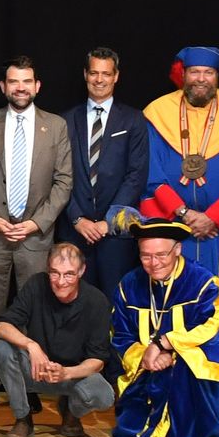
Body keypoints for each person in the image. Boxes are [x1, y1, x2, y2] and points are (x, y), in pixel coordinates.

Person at [141, 45, 219, 388]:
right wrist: (183, 213)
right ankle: (174, 376)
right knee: (174, 301)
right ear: (183, 75)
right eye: (194, 72)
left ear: (217, 77)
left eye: (208, 73)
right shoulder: (158, 114)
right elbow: (152, 174)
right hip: (174, 227)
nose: (201, 79)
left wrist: (213, 216)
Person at [0, 56, 74, 410]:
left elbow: (64, 182)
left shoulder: (55, 126)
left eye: (27, 81)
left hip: (35, 236)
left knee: (35, 310)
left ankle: (30, 383)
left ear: (37, 86)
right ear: (3, 87)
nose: (20, 88)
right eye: (14, 82)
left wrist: (37, 222)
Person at [111, 220, 219, 437]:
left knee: (189, 366)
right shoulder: (130, 285)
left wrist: (166, 346)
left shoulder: (202, 283)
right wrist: (146, 356)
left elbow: (211, 327)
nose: (153, 263)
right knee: (133, 424)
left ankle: (204, 433)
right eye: (146, 256)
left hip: (192, 362)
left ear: (177, 249)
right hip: (147, 365)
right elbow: (120, 334)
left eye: (161, 255)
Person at [0, 244, 116, 437]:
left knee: (104, 395)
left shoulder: (97, 301)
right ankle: (23, 418)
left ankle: (71, 412)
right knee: (1, 349)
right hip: (36, 369)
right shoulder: (36, 285)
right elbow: (1, 326)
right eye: (55, 273)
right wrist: (31, 345)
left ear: (81, 271)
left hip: (72, 375)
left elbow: (98, 360)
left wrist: (66, 373)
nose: (61, 282)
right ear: (48, 269)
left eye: (69, 274)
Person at [59, 48, 149, 295]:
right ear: (85, 75)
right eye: (94, 73)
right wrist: (77, 219)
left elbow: (136, 174)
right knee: (74, 302)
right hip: (75, 232)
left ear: (116, 76)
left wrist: (108, 221)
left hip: (116, 235)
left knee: (116, 300)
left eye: (106, 74)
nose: (99, 80)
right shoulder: (64, 121)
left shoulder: (134, 120)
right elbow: (58, 176)